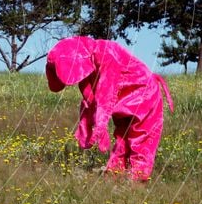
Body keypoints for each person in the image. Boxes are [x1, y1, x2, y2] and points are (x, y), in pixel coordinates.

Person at [45, 36, 174, 181]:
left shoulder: (108, 54)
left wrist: (100, 127)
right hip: (124, 104)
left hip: (146, 97)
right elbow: (91, 98)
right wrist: (89, 126)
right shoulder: (91, 64)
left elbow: (106, 94)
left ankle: (137, 181)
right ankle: (115, 176)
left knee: (141, 141)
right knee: (122, 140)